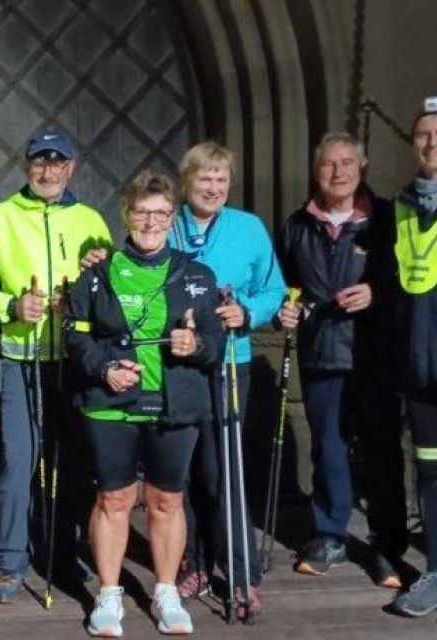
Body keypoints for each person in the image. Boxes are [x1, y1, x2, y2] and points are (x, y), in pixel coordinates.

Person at [65, 170, 223, 636]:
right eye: (141, 212)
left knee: (166, 499)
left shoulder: (197, 276)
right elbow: (75, 334)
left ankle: (166, 590)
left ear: (173, 218)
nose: (151, 221)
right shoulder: (97, 273)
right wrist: (104, 368)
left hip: (175, 402)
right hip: (111, 400)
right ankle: (109, 593)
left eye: (160, 213)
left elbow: (215, 342)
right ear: (126, 215)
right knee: (114, 498)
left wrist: (194, 345)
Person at [0, 127, 112, 604]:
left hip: (74, 360)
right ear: (26, 165)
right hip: (22, 358)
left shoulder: (90, 219)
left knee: (72, 461)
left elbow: (111, 292)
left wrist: (97, 275)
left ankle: (63, 551)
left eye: (57, 162)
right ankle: (11, 560)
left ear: (71, 167)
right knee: (18, 461)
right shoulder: (0, 217)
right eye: (39, 161)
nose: (48, 171)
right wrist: (13, 307)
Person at [276, 133, 406, 586]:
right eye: (329, 164)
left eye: (347, 162)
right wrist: (284, 308)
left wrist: (376, 292)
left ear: (362, 167)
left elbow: (411, 282)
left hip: (374, 354)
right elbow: (284, 285)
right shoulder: (296, 225)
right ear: (317, 171)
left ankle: (387, 544)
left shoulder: (388, 219)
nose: (338, 172)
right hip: (321, 352)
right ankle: (330, 535)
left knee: (381, 449)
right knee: (328, 448)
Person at [168, 141, 285, 620]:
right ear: (186, 182)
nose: (213, 187)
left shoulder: (248, 228)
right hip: (177, 364)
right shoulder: (167, 224)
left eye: (221, 179)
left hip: (229, 362)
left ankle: (241, 575)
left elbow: (273, 288)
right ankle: (194, 562)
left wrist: (248, 312)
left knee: (224, 472)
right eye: (205, 178)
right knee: (184, 470)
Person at [385, 98, 437, 617]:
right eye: (423, 134)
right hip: (422, 369)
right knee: (431, 474)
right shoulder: (402, 205)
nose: (432, 142)